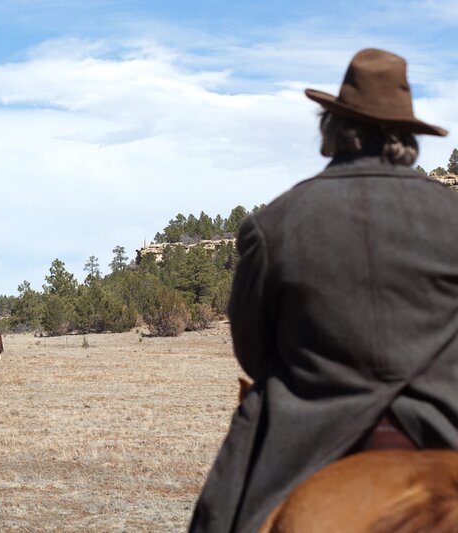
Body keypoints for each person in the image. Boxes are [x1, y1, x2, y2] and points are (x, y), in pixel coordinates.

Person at [189, 48, 458, 533]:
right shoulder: (452, 218)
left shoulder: (276, 223)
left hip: (310, 428)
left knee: (220, 516)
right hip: (445, 419)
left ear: (333, 129)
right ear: (407, 138)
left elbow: (252, 351)